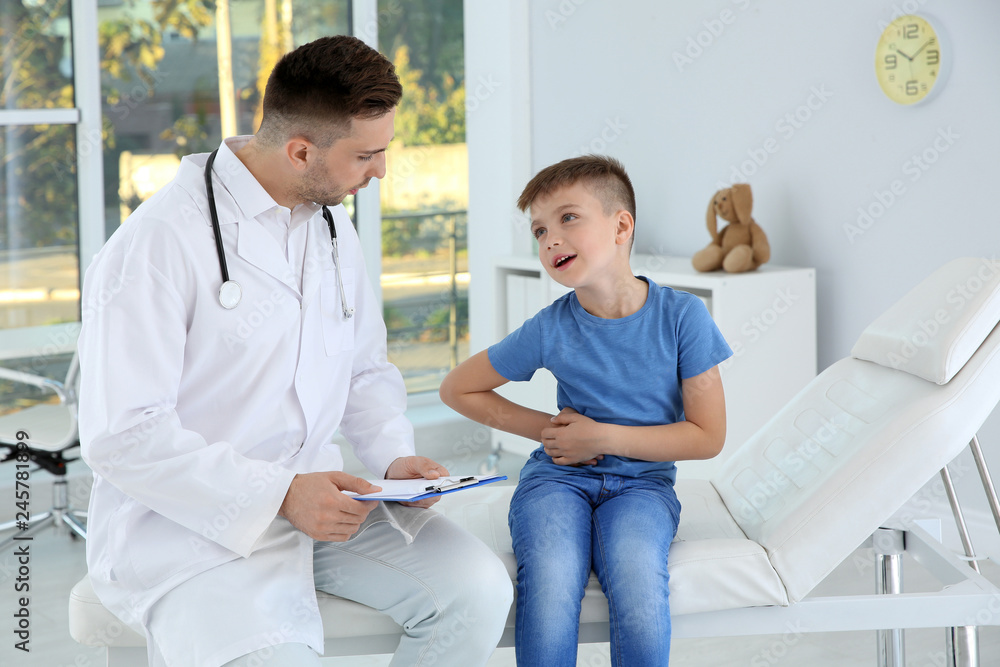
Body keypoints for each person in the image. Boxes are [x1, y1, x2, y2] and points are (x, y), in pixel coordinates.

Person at [78, 35, 511, 667]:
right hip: (189, 527)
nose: (382, 171)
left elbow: (364, 369)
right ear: (300, 149)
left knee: (477, 590)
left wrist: (394, 460)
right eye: (367, 155)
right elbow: (123, 435)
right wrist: (280, 495)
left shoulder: (332, 226)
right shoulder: (157, 244)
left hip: (331, 505)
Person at [439, 155, 733, 666]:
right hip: (556, 481)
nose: (550, 238)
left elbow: (707, 436)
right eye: (539, 230)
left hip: (643, 487)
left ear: (621, 226)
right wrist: (552, 433)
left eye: (568, 218)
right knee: (552, 578)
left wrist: (601, 438)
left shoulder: (684, 318)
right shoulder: (549, 328)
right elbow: (458, 389)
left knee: (639, 577)